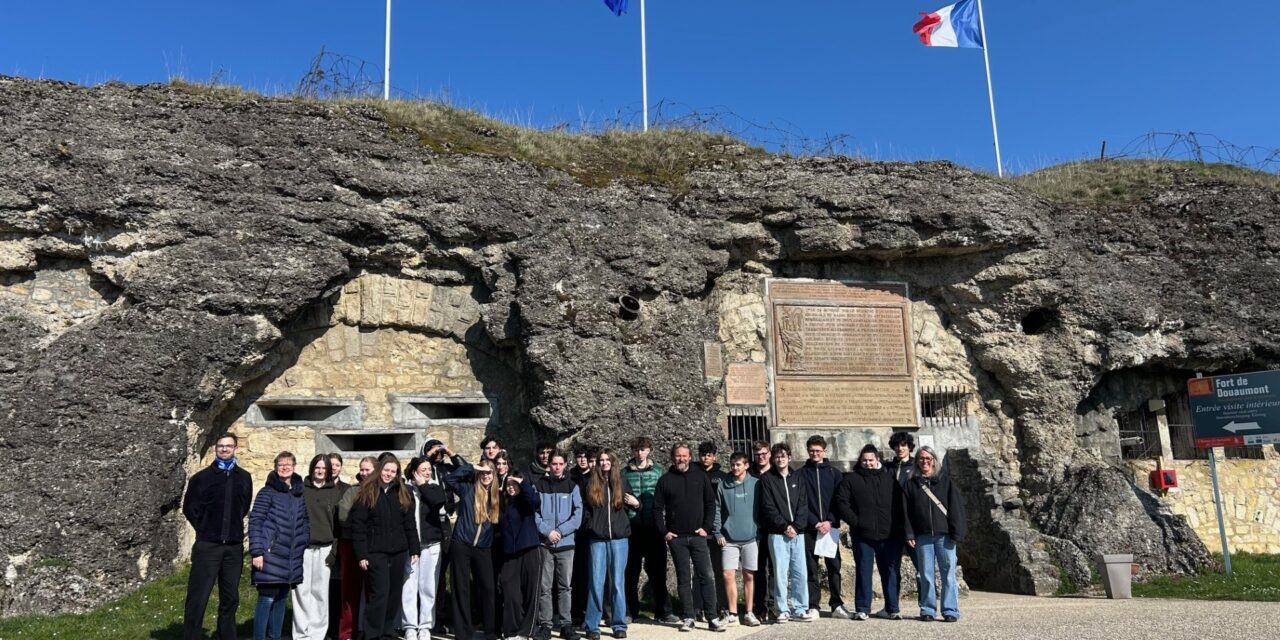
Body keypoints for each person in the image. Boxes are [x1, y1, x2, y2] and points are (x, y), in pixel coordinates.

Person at [182, 433, 253, 640]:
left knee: (230, 598)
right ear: (216, 448)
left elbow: (243, 507)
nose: (224, 449)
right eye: (221, 446)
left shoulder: (244, 477)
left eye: (228, 446)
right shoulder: (201, 478)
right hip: (208, 546)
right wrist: (205, 528)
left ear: (235, 448)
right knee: (198, 597)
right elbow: (190, 508)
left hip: (233, 547)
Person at [654, 444, 725, 633]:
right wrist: (665, 532)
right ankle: (689, 617)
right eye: (677, 456)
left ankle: (712, 617)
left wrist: (706, 528)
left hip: (698, 536)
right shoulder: (665, 480)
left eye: (684, 456)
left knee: (707, 576)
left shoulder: (700, 477)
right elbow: (656, 508)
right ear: (672, 457)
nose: (681, 459)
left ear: (690, 457)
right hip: (676, 539)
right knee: (683, 579)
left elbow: (711, 504)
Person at [350, 457, 420, 640]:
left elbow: (409, 523)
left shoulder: (403, 493)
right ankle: (372, 634)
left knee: (394, 594)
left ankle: (387, 632)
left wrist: (415, 548)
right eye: (386, 470)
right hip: (375, 551)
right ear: (379, 470)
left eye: (393, 471)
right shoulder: (368, 492)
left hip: (398, 550)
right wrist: (362, 555)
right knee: (379, 594)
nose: (389, 474)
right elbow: (358, 526)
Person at [832, 444, 904, 621]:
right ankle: (863, 608)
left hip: (889, 535)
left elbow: (899, 504)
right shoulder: (851, 479)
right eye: (864, 460)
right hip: (862, 535)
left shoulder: (889, 478)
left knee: (890, 571)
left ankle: (891, 608)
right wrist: (856, 522)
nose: (868, 463)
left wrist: (897, 526)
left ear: (877, 460)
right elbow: (841, 502)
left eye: (871, 460)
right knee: (863, 571)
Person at [248, 452, 309, 640]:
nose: (285, 467)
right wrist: (257, 551)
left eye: (288, 464)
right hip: (271, 553)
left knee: (282, 598)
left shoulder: (299, 493)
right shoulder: (267, 492)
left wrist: (303, 541)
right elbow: (256, 521)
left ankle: (274, 637)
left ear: (294, 466)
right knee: (266, 597)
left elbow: (305, 521)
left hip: (290, 556)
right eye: (281, 464)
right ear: (275, 467)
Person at [902, 446, 966, 623]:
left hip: (944, 535)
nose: (925, 462)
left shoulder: (946, 482)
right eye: (921, 459)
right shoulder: (910, 484)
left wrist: (957, 533)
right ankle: (928, 609)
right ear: (917, 462)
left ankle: (950, 610)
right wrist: (909, 533)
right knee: (925, 574)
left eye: (928, 458)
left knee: (948, 574)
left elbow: (956, 509)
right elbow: (905, 512)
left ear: (934, 460)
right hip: (923, 536)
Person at [444, 450, 502, 640]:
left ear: (494, 475)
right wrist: (472, 467)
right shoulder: (468, 488)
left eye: (489, 473)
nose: (486, 476)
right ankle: (463, 633)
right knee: (461, 588)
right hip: (461, 544)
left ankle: (491, 630)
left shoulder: (496, 495)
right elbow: (450, 480)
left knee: (488, 588)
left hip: (483, 547)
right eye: (483, 472)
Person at [583, 449, 639, 640]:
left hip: (619, 539)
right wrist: (592, 527)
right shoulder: (592, 483)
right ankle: (592, 626)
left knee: (617, 583)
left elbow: (632, 505)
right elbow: (585, 511)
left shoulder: (622, 482)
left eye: (608, 460)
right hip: (597, 539)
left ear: (613, 462)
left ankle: (618, 624)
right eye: (601, 460)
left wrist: (636, 503)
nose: (604, 462)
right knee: (596, 583)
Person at [621, 437, 675, 624]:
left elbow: (667, 499)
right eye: (636, 449)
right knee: (630, 573)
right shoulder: (624, 473)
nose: (639, 453)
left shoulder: (659, 472)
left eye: (643, 449)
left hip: (654, 528)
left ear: (649, 450)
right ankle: (630, 611)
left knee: (658, 572)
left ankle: (664, 611)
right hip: (632, 528)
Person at [759, 443, 815, 623]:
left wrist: (797, 527)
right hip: (777, 534)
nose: (780, 459)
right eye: (776, 456)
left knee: (800, 572)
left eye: (783, 456)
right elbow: (768, 507)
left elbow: (803, 504)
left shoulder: (798, 477)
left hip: (798, 534)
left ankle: (800, 607)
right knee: (780, 573)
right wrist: (784, 526)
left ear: (789, 458)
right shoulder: (767, 479)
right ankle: (782, 609)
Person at [293, 455, 342, 640]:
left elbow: (338, 526)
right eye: (317, 468)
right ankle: (300, 634)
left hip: (325, 548)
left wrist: (334, 552)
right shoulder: (301, 490)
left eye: (324, 468)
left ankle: (317, 634)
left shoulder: (335, 492)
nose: (320, 471)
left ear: (329, 471)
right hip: (303, 548)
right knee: (301, 591)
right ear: (312, 468)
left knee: (320, 594)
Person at [798, 435, 847, 619]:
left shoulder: (835, 474)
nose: (815, 454)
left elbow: (839, 501)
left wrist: (830, 521)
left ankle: (836, 604)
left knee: (834, 567)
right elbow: (800, 503)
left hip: (830, 528)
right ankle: (813, 605)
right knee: (811, 568)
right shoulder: (801, 474)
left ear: (824, 451)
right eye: (812, 451)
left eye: (818, 451)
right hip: (811, 529)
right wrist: (814, 522)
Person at [535, 451, 583, 640]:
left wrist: (560, 532)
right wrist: (547, 532)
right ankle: (545, 625)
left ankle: (566, 625)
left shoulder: (572, 486)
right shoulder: (539, 485)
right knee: (545, 587)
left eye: (560, 464)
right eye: (554, 464)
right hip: (545, 544)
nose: (557, 467)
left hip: (566, 545)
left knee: (565, 587)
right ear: (549, 465)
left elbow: (577, 514)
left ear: (565, 465)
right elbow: (534, 513)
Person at [401, 457, 450, 640]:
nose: (428, 472)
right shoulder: (405, 490)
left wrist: (423, 486)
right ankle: (409, 625)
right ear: (414, 471)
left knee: (428, 587)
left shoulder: (434, 488)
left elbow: (438, 503)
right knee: (409, 586)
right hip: (410, 545)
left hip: (431, 544)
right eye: (424, 469)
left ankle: (425, 625)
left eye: (429, 469)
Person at [713, 452, 761, 627]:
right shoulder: (722, 485)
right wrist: (717, 532)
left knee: (749, 575)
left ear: (746, 465)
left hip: (751, 538)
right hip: (729, 539)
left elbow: (762, 509)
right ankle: (733, 613)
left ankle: (749, 612)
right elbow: (717, 509)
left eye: (738, 464)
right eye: (732, 464)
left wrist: (759, 532)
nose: (735, 468)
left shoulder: (756, 484)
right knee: (728, 574)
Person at [336, 456, 377, 640]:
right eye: (362, 469)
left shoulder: (380, 491)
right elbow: (343, 515)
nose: (364, 473)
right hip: (351, 543)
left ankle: (370, 631)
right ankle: (347, 633)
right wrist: (362, 526)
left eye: (367, 469)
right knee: (350, 591)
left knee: (373, 591)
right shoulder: (352, 492)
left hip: (374, 546)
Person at [499, 471, 543, 640]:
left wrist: (522, 482)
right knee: (511, 593)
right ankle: (511, 631)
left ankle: (526, 631)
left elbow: (534, 501)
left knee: (531, 592)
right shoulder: (503, 504)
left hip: (530, 549)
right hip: (510, 554)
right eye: (508, 485)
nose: (511, 488)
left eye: (514, 484)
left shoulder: (526, 501)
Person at [422, 440, 459, 637]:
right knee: (426, 576)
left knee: (441, 573)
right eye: (433, 450)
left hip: (446, 521)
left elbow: (464, 470)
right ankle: (425, 618)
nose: (438, 453)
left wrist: (450, 452)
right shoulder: (421, 470)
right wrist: (428, 456)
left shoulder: (447, 470)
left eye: (440, 450)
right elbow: (415, 468)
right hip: (427, 521)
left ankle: (441, 618)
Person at [696, 442, 729, 623]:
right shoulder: (693, 474)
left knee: (719, 571)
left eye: (709, 454)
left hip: (717, 531)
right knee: (699, 572)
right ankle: (698, 607)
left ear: (715, 456)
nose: (705, 457)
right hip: (698, 530)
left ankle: (722, 606)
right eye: (702, 454)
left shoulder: (723, 477)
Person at [746, 440, 778, 622]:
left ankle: (773, 605)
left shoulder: (776, 473)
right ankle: (760, 605)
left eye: (764, 453)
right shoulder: (749, 474)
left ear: (770, 454)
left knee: (774, 568)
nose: (761, 457)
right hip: (755, 528)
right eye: (758, 454)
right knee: (758, 569)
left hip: (774, 528)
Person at [569, 445, 597, 628]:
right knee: (575, 573)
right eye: (578, 456)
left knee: (591, 571)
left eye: (585, 457)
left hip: (591, 528)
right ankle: (576, 612)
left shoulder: (595, 476)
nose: (582, 460)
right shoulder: (570, 476)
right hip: (573, 529)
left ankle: (591, 610)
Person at [327, 453, 348, 640]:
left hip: (341, 543)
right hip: (324, 541)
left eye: (336, 464)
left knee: (339, 589)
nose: (333, 467)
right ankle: (325, 628)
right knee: (324, 590)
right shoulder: (319, 487)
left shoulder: (347, 489)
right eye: (330, 464)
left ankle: (337, 628)